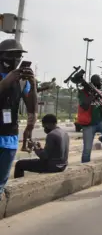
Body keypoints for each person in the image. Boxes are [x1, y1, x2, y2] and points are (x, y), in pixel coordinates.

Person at [0, 39, 37, 198]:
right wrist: (5, 82)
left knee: (1, 182)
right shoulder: (8, 78)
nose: (15, 60)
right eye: (11, 55)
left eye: (18, 56)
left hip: (9, 137)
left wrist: (33, 84)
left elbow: (32, 107)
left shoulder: (22, 82)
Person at [77, 74, 102, 162]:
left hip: (100, 121)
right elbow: (84, 106)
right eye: (99, 82)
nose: (100, 84)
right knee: (87, 150)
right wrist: (92, 96)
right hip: (88, 124)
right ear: (95, 83)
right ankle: (84, 168)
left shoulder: (100, 93)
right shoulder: (82, 92)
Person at [14, 114, 69, 178]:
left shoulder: (51, 135)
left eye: (44, 126)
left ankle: (18, 183)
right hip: (63, 165)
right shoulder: (64, 133)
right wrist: (40, 148)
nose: (44, 129)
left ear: (48, 124)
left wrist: (34, 147)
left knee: (19, 164)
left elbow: (44, 156)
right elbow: (54, 152)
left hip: (53, 166)